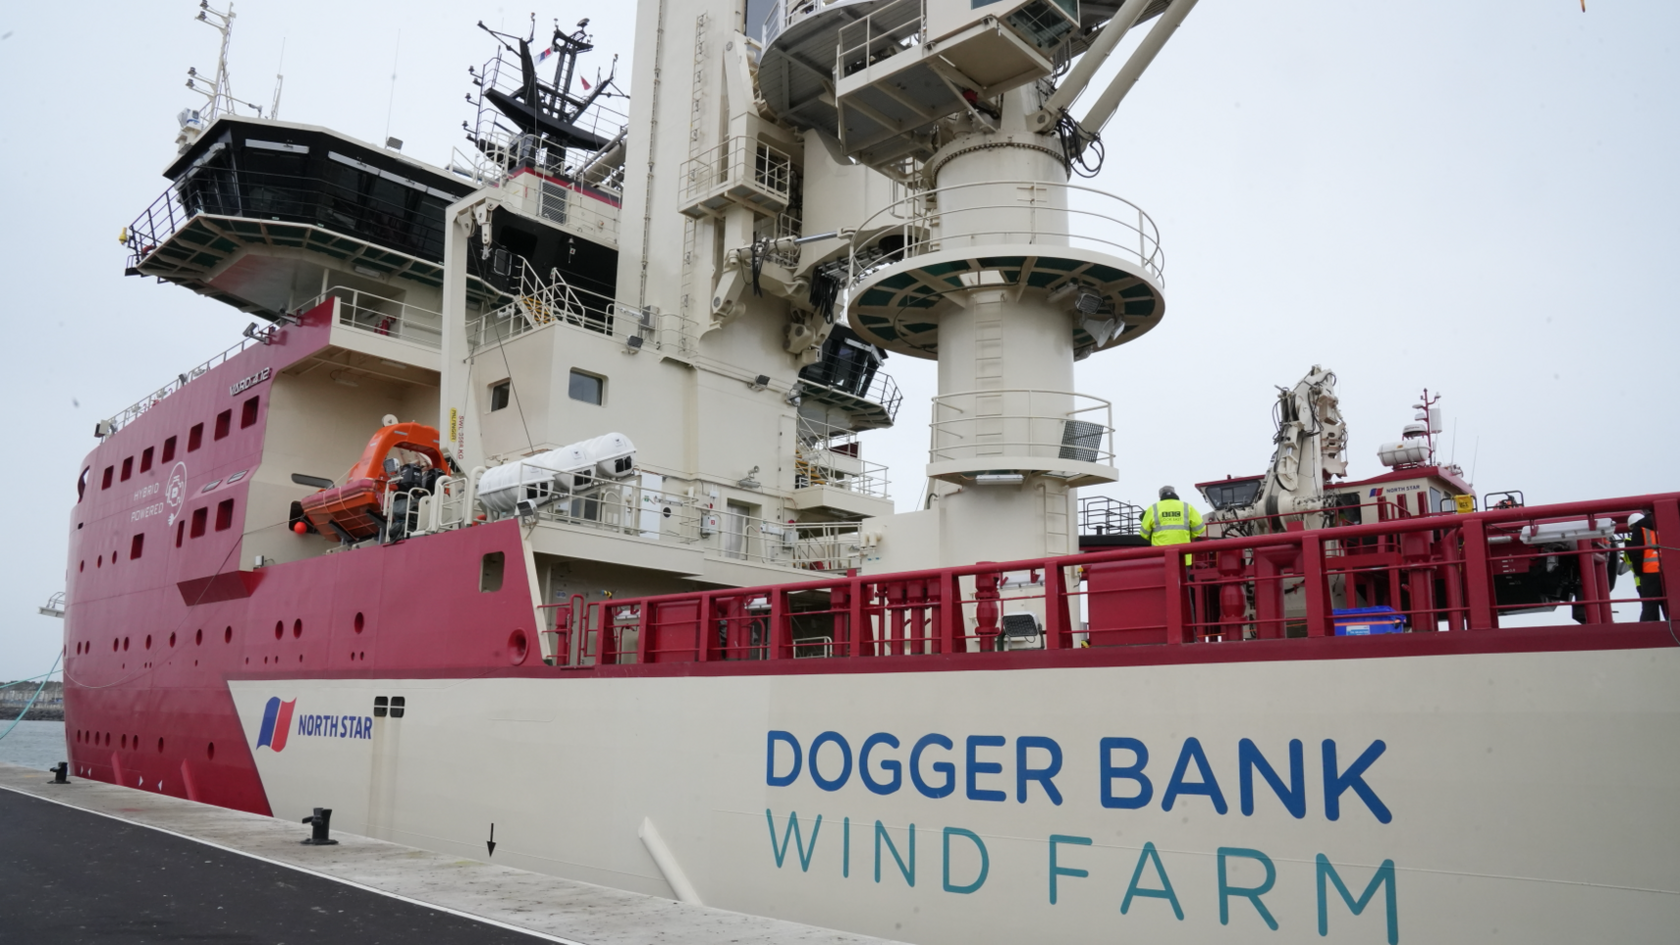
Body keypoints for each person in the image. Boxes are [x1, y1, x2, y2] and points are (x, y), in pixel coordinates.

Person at [1140, 485, 1205, 564]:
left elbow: (1143, 533)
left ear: (1160, 496)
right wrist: (1188, 535)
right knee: (1182, 576)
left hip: (1160, 556)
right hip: (1183, 556)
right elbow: (1200, 528)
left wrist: (1154, 537)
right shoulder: (1187, 507)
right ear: (1174, 493)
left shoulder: (1153, 508)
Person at [1625, 512, 1667, 622]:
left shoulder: (1638, 530)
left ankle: (1649, 632)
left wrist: (1639, 572)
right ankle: (1674, 630)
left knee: (1650, 606)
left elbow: (1636, 555)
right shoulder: (1662, 527)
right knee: (1669, 604)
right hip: (1666, 570)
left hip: (1648, 572)